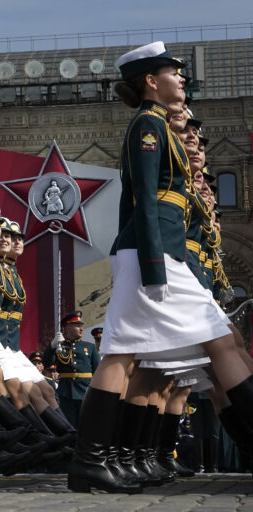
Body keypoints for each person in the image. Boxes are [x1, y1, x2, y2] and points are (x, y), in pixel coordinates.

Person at [67, 42, 253, 494]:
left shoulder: (159, 129)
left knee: (209, 344)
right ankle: (90, 460)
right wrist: (155, 266)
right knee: (130, 352)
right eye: (175, 72)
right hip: (151, 256)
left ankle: (92, 460)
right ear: (151, 81)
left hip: (160, 255)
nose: (182, 79)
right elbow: (145, 200)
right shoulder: (147, 127)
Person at [43, 311, 100, 428]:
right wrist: (52, 346)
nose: (82, 328)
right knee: (69, 425)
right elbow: (47, 363)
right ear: (67, 327)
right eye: (77, 325)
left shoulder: (90, 347)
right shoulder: (59, 346)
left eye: (82, 325)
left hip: (86, 391)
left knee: (87, 424)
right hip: (66, 392)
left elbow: (98, 372)